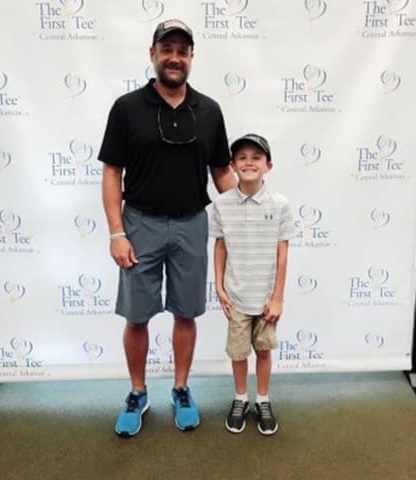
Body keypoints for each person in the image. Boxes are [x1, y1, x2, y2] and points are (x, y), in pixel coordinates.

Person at [98, 18, 236, 437]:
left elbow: (223, 174)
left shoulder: (210, 111)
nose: (174, 57)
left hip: (193, 224)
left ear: (191, 58)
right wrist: (116, 232)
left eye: (182, 51)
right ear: (153, 54)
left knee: (186, 313)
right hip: (140, 224)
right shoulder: (126, 108)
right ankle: (138, 393)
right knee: (137, 317)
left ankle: (180, 389)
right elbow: (111, 174)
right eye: (167, 49)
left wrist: (251, 213)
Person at [211, 133, 292, 436]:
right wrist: (219, 287)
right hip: (236, 296)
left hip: (266, 298)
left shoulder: (280, 204)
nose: (249, 163)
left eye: (256, 157)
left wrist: (278, 298)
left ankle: (263, 399)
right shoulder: (221, 204)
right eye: (242, 158)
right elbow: (220, 246)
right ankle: (240, 398)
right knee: (238, 352)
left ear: (268, 165)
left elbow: (282, 252)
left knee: (264, 350)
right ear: (232, 165)